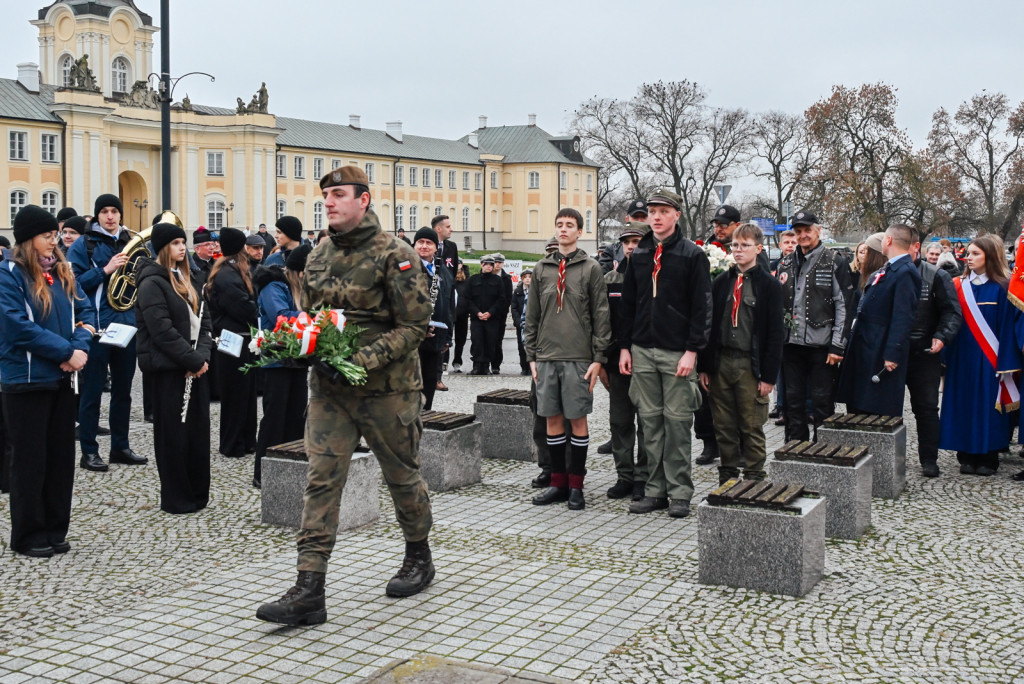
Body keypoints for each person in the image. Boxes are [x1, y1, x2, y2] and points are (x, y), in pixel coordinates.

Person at [257, 166, 434, 626]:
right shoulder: (317, 255)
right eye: (326, 195)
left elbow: (415, 326)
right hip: (330, 392)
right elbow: (313, 318)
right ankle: (309, 588)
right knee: (321, 481)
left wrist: (364, 359)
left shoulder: (396, 255)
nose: (329, 202)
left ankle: (418, 555)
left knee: (402, 477)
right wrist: (297, 345)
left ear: (364, 199)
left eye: (339, 194)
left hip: (388, 392)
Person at [0, 205, 92, 557]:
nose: (54, 242)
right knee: (30, 461)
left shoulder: (62, 271)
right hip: (26, 381)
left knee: (59, 459)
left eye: (55, 235)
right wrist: (65, 352)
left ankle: (55, 528)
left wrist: (79, 348)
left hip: (62, 378)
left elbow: (85, 313)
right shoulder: (9, 274)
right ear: (27, 240)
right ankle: (29, 534)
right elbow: (17, 327)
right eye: (46, 236)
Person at [619, 189, 711, 519]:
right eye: (653, 211)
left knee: (677, 423)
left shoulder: (692, 255)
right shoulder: (640, 254)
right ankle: (654, 490)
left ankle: (680, 492)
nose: (657, 217)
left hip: (677, 353)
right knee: (650, 424)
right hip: (642, 350)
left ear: (676, 215)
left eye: (663, 211)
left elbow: (702, 307)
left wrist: (692, 351)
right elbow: (628, 304)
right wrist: (625, 347)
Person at [524, 208, 611, 510]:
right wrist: (531, 355)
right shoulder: (541, 268)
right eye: (559, 224)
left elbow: (601, 315)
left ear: (579, 232)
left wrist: (598, 358)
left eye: (569, 225)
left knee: (577, 419)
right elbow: (532, 316)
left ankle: (576, 486)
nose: (563, 229)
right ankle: (558, 484)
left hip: (578, 357)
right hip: (547, 356)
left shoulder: (591, 268)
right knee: (552, 419)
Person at [134, 222, 214, 514]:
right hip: (169, 369)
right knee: (173, 436)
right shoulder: (151, 283)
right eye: (176, 243)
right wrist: (191, 360)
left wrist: (201, 357)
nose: (182, 248)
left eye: (183, 242)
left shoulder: (188, 279)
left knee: (197, 434)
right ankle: (177, 496)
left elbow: (205, 323)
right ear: (163, 248)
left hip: (195, 367)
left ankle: (197, 492)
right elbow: (161, 330)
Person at [698, 223, 784, 485]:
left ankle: (754, 478)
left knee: (751, 425)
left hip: (750, 364)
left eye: (745, 245)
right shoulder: (721, 282)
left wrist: (768, 376)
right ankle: (727, 477)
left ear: (758, 249)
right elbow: (710, 326)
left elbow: (774, 334)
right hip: (722, 363)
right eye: (735, 245)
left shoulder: (769, 285)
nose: (738, 250)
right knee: (723, 425)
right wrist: (705, 366)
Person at [66, 193, 146, 472]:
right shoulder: (83, 244)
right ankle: (89, 451)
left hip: (126, 327)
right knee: (92, 393)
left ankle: (120, 447)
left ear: (120, 214)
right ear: (98, 215)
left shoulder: (131, 241)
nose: (110, 216)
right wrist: (105, 270)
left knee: (123, 392)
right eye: (105, 211)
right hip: (98, 329)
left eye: (114, 211)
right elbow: (73, 284)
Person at [940, 235, 1020, 476]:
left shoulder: (1003, 288)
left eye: (976, 253)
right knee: (963, 404)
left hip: (990, 360)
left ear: (990, 257)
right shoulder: (957, 285)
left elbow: (1007, 329)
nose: (969, 257)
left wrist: (1006, 362)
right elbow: (948, 321)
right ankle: (965, 455)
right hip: (961, 358)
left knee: (988, 408)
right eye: (969, 253)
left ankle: (988, 457)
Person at [775, 210, 852, 443]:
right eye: (798, 231)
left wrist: (837, 346)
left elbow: (844, 305)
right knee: (792, 401)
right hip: (790, 344)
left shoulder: (834, 261)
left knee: (822, 402)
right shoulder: (785, 263)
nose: (803, 235)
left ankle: (824, 450)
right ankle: (795, 447)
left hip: (822, 345)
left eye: (807, 230)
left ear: (818, 231)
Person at [837, 226, 922, 418]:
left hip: (880, 349)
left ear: (889, 240)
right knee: (858, 406)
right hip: (867, 346)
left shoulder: (905, 271)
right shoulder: (890, 268)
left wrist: (893, 352)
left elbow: (903, 316)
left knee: (874, 409)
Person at [252, 244, 311, 489]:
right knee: (274, 418)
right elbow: (281, 316)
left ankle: (291, 466)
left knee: (296, 416)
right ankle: (262, 471)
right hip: (276, 360)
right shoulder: (273, 285)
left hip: (297, 359)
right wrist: (313, 317)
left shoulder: (299, 287)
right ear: (298, 271)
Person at [906, 228, 962, 478]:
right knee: (888, 408)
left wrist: (942, 336)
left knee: (927, 408)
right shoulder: (885, 273)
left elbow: (952, 311)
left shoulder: (936, 275)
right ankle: (890, 459)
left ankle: (929, 459)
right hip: (894, 352)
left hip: (925, 351)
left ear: (915, 247)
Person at [601, 223, 649, 500]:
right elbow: (602, 323)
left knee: (647, 423)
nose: (631, 246)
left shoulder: (654, 277)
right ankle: (624, 476)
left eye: (636, 241)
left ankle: (643, 477)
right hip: (616, 363)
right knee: (620, 422)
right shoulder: (610, 278)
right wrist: (603, 361)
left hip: (646, 361)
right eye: (627, 242)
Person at [205, 227, 258, 458]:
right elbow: (242, 307)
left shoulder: (230, 270)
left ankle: (246, 440)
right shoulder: (227, 275)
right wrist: (257, 310)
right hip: (233, 338)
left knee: (246, 394)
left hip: (241, 338)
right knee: (235, 394)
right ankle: (232, 443)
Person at [413, 227, 454, 410]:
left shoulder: (442, 270)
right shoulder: (407, 268)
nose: (424, 246)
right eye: (420, 242)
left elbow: (448, 305)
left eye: (429, 243)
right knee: (413, 385)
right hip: (414, 339)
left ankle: (426, 418)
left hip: (436, 337)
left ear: (436, 247)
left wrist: (448, 336)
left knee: (429, 382)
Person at [466, 256, 506, 375]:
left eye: (491, 264)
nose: (488, 266)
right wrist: (477, 312)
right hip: (476, 317)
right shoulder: (473, 279)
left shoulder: (498, 281)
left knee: (490, 342)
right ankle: (476, 366)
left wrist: (490, 312)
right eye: (486, 264)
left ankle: (486, 367)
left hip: (492, 318)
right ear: (481, 265)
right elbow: (467, 299)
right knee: (476, 341)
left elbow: (501, 299)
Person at [491, 253, 513, 374]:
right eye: (496, 262)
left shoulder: (506, 279)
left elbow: (508, 298)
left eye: (500, 262)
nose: (497, 264)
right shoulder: (485, 275)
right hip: (486, 313)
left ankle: (496, 365)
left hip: (500, 315)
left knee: (497, 341)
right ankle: (483, 364)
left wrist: (500, 311)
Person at [511, 269, 532, 375]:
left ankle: (532, 367)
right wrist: (518, 321)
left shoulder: (536, 290)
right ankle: (524, 367)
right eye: (525, 277)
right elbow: (514, 308)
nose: (527, 279)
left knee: (532, 346)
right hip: (521, 323)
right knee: (521, 346)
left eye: (530, 277)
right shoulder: (517, 291)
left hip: (532, 324)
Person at [450, 262, 470, 372]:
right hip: (449, 313)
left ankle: (457, 361)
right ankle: (444, 362)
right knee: (446, 339)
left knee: (460, 340)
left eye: (459, 263)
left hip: (463, 314)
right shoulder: (449, 275)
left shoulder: (467, 280)